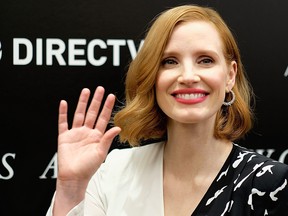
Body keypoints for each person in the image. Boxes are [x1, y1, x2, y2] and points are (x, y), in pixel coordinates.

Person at [46, 4, 288, 216]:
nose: (188, 76)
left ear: (230, 75)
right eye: (169, 61)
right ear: (153, 76)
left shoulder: (270, 183)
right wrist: (71, 187)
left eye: (205, 60)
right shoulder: (115, 171)